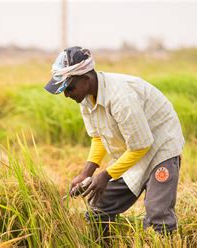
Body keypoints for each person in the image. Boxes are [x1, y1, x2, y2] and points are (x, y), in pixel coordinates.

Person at [44, 46, 185, 237]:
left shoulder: (121, 98)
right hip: (132, 149)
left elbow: (142, 145)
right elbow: (98, 136)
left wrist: (106, 175)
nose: (67, 95)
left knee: (157, 216)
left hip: (160, 148)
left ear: (86, 78)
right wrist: (87, 172)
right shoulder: (85, 98)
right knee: (98, 208)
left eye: (69, 88)